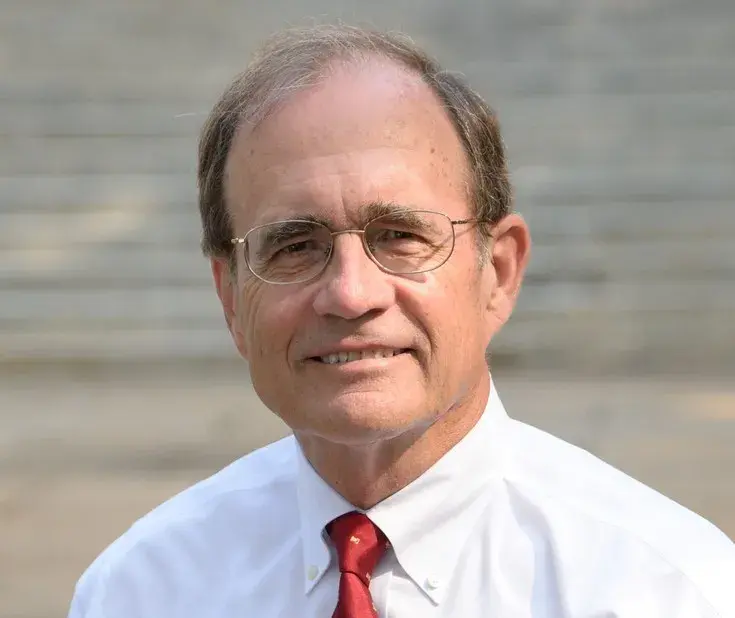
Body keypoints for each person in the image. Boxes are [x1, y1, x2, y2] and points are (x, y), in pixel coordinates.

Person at [68, 24, 735, 617]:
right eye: (295, 246)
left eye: (399, 236)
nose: (350, 293)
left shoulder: (662, 592)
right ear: (231, 298)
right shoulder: (140, 592)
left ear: (498, 273)